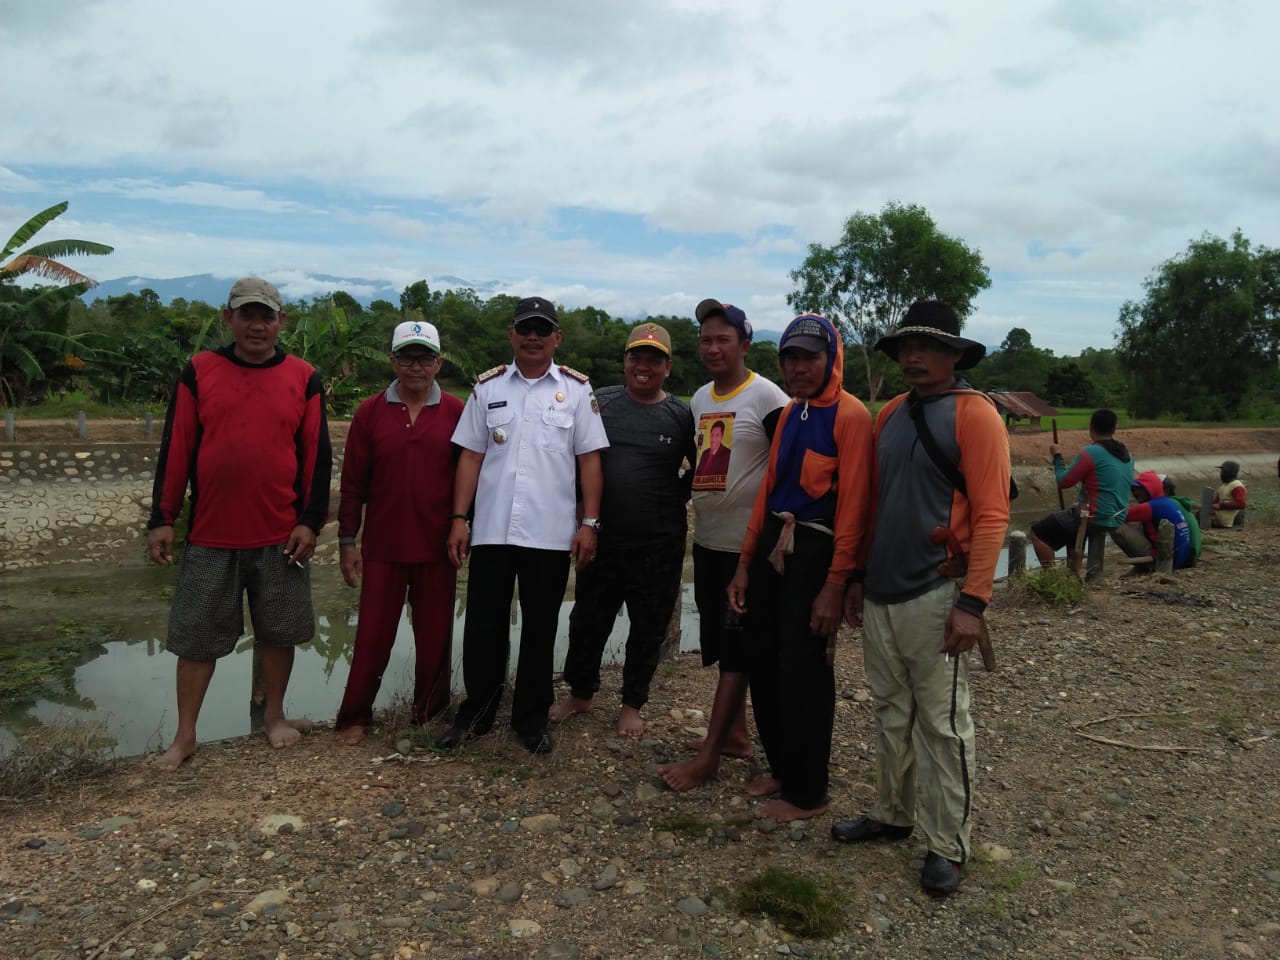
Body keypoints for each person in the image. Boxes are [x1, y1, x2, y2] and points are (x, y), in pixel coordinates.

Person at [832, 300, 1011, 897]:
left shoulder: (976, 416)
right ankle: (892, 812)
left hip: (937, 591)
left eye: (928, 346)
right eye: (906, 346)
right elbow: (871, 502)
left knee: (942, 723)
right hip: (883, 589)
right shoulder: (889, 416)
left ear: (955, 355)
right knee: (890, 710)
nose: (913, 356)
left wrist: (973, 602)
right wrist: (854, 576)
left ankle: (947, 844)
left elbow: (991, 516)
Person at [147, 277, 331, 771]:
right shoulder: (200, 371)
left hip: (281, 536)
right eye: (246, 314)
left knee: (278, 633)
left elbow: (317, 458)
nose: (257, 325)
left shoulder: (303, 376)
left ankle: (274, 717)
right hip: (209, 535)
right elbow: (178, 447)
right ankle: (185, 736)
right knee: (195, 640)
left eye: (266, 316)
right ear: (227, 319)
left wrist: (311, 522)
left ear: (280, 322)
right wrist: (161, 518)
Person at [438, 297, 609, 755]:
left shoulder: (576, 392)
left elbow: (589, 461)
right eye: (524, 329)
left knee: (540, 628)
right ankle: (476, 712)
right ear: (511, 334)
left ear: (557, 337)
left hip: (550, 534)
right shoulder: (486, 388)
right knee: (483, 627)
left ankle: (531, 719)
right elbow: (471, 456)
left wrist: (589, 522)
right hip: (492, 529)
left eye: (542, 329)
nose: (532, 337)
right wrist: (459, 518)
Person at [726, 314, 872, 821]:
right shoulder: (792, 413)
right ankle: (783, 767)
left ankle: (809, 792)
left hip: (815, 550)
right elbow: (767, 493)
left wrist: (837, 582)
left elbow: (854, 507)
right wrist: (745, 563)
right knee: (763, 660)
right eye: (791, 357)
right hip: (773, 545)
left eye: (811, 356)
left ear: (832, 357)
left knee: (805, 668)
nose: (799, 366)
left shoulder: (851, 416)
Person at [658, 299, 788, 792]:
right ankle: (735, 735)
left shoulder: (767, 397)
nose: (712, 348)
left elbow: (787, 472)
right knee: (720, 640)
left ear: (744, 344)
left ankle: (709, 756)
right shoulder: (699, 399)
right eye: (706, 339)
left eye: (723, 339)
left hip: (747, 549)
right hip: (709, 539)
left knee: (738, 651)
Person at [550, 323, 696, 738]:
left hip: (660, 542)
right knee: (587, 620)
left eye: (654, 359)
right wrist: (582, 519)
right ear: (626, 361)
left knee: (648, 626)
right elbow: (577, 458)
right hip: (602, 536)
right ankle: (581, 693)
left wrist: (674, 493)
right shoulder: (601, 402)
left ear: (668, 367)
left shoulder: (681, 414)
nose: (643, 366)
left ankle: (632, 703)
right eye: (636, 357)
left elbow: (705, 466)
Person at [333, 320, 465, 744]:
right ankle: (355, 716)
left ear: (438, 362)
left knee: (435, 638)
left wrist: (465, 525)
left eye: (425, 357)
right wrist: (347, 541)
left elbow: (471, 476)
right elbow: (353, 484)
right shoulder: (369, 412)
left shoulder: (458, 412)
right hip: (383, 546)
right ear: (392, 360)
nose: (415, 366)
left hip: (437, 545)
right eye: (407, 356)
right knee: (372, 635)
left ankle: (429, 712)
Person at [1028, 409, 1132, 578]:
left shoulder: (1091, 452)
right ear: (1114, 429)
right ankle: (1072, 576)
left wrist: (1058, 456)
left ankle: (1054, 578)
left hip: (1094, 516)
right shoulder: (1127, 454)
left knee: (1037, 533)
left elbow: (1064, 481)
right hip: (1117, 516)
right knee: (1071, 524)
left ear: (1090, 428)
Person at [1112, 470, 1193, 570]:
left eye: (1139, 489)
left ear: (1151, 488)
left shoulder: (1152, 506)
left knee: (1115, 525)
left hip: (1167, 561)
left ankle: (1145, 567)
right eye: (1133, 489)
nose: (1135, 493)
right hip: (1181, 558)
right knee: (1136, 521)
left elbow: (1116, 516)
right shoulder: (1165, 502)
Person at [1159, 475, 1202, 566]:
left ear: (1164, 490)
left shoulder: (1166, 504)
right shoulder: (1177, 501)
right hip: (1193, 553)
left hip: (1184, 557)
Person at [1212, 460, 1247, 527]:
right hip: (1216, 517)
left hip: (1224, 522)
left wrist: (1221, 505)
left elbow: (1241, 504)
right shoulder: (1222, 487)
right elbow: (1215, 502)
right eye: (1221, 471)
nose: (1221, 473)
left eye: (1223, 471)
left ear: (1229, 472)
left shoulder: (1237, 485)